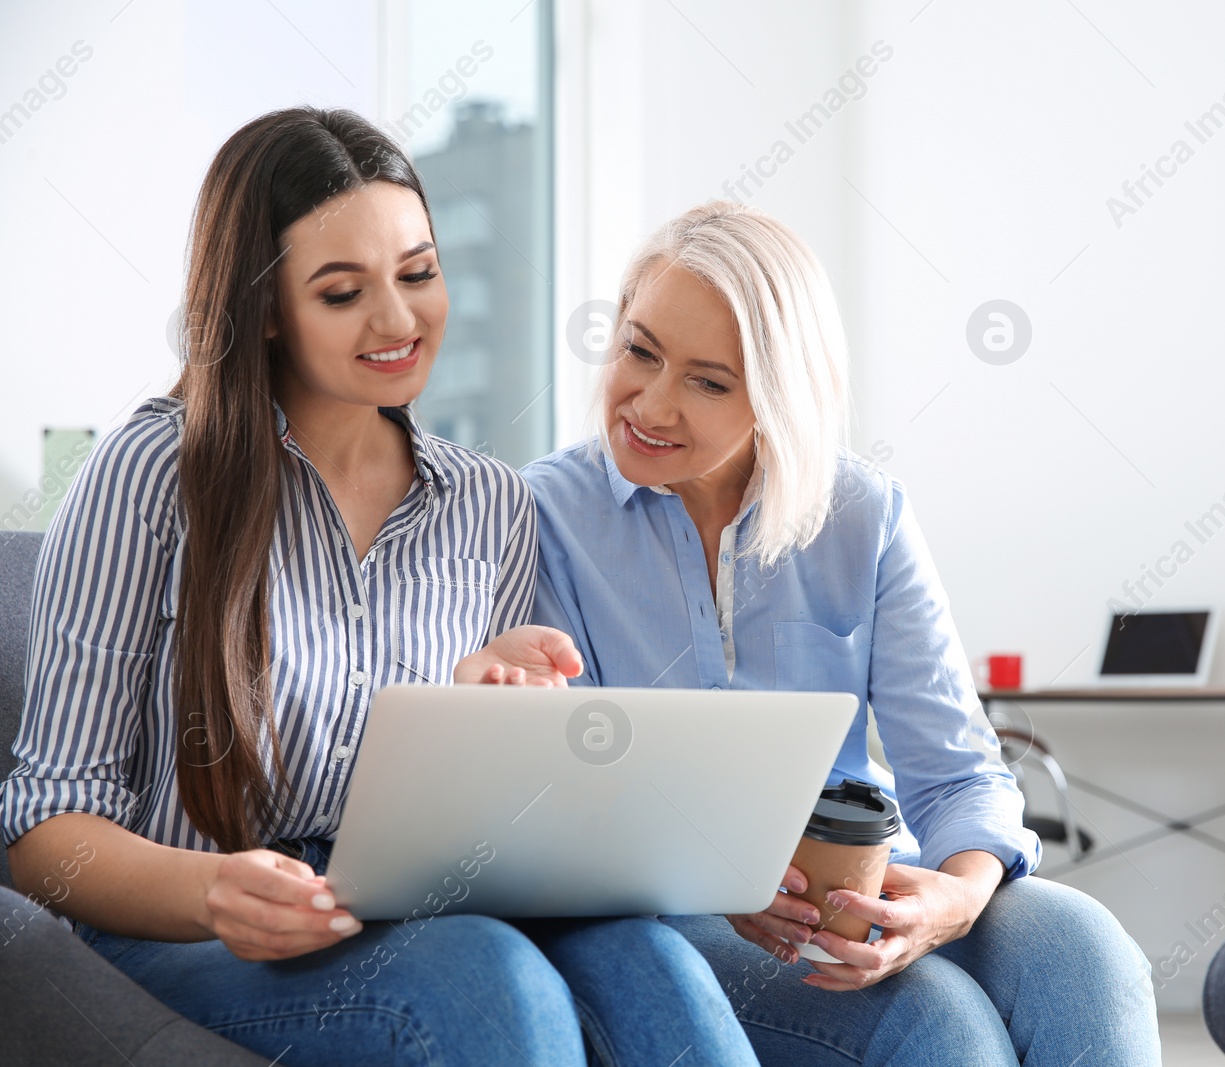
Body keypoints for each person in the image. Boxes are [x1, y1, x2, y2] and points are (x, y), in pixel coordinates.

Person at [1, 109, 757, 1067]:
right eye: (342, 290)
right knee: (483, 979)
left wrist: (493, 716)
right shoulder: (150, 472)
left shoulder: (486, 501)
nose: (398, 320)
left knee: (656, 962)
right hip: (182, 938)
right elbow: (42, 831)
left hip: (403, 913)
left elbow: (486, 827)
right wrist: (210, 890)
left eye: (418, 273)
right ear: (266, 307)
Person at [520, 201, 1163, 1066]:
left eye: (709, 381)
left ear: (778, 397)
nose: (653, 402)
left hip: (862, 880)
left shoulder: (862, 515)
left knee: (1084, 950)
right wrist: (721, 871)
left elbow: (960, 770)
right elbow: (572, 791)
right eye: (640, 350)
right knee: (940, 1024)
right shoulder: (543, 517)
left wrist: (954, 899)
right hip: (678, 915)